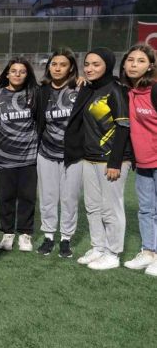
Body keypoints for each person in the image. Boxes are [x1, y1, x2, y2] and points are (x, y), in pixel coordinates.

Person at [69, 48, 131, 270]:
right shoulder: (89, 89)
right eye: (87, 64)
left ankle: (113, 254)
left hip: (111, 160)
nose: (89, 68)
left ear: (108, 65)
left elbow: (123, 127)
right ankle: (98, 248)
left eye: (96, 64)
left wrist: (115, 162)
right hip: (90, 158)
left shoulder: (115, 90)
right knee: (93, 207)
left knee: (111, 208)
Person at [35, 48, 82, 258]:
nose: (57, 68)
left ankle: (65, 239)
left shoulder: (80, 89)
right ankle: (48, 236)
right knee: (48, 197)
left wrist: (85, 81)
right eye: (54, 64)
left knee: (69, 198)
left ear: (71, 68)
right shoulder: (42, 90)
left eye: (63, 65)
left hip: (73, 155)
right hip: (46, 152)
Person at [0, 57, 39, 252]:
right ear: (7, 73)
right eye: (13, 71)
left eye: (22, 71)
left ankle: (25, 234)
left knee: (28, 197)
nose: (17, 74)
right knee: (6, 197)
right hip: (3, 156)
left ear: (27, 74)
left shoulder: (34, 93)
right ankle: (7, 233)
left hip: (29, 157)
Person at [121, 44, 157, 274]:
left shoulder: (155, 89)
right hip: (143, 162)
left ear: (150, 66)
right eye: (130, 60)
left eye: (141, 61)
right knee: (145, 209)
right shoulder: (128, 91)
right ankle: (148, 252)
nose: (134, 64)